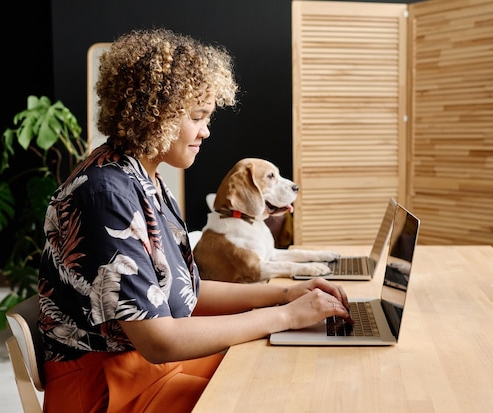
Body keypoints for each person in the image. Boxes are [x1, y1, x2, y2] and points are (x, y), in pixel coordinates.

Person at [38, 28, 352, 413]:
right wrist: (285, 316)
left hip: (146, 369)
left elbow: (186, 292)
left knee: (288, 367)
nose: (206, 131)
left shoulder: (145, 179)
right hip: (109, 389)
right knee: (280, 390)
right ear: (155, 114)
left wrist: (287, 294)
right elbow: (160, 341)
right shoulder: (106, 194)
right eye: (198, 117)